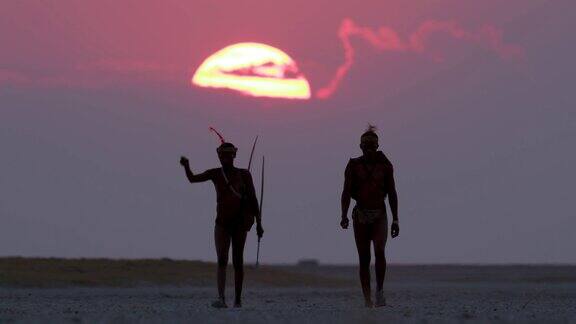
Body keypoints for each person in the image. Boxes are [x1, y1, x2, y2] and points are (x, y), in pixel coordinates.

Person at [180, 142, 264, 308]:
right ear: (218, 156)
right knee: (222, 260)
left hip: (240, 224)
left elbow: (253, 200)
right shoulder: (215, 174)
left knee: (238, 261)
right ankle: (221, 298)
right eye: (222, 155)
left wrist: (259, 223)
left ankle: (238, 300)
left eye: (228, 155)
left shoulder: (244, 175)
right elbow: (192, 179)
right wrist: (186, 166)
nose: (224, 158)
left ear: (233, 156)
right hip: (222, 223)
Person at [340, 125, 399, 307]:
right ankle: (367, 299)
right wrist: (343, 215)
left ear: (377, 146)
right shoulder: (353, 166)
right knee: (364, 258)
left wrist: (396, 219)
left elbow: (392, 193)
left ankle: (379, 291)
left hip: (379, 214)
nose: (369, 149)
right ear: (360, 146)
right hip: (360, 216)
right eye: (366, 145)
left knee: (379, 252)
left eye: (372, 145)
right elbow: (346, 192)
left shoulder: (385, 167)